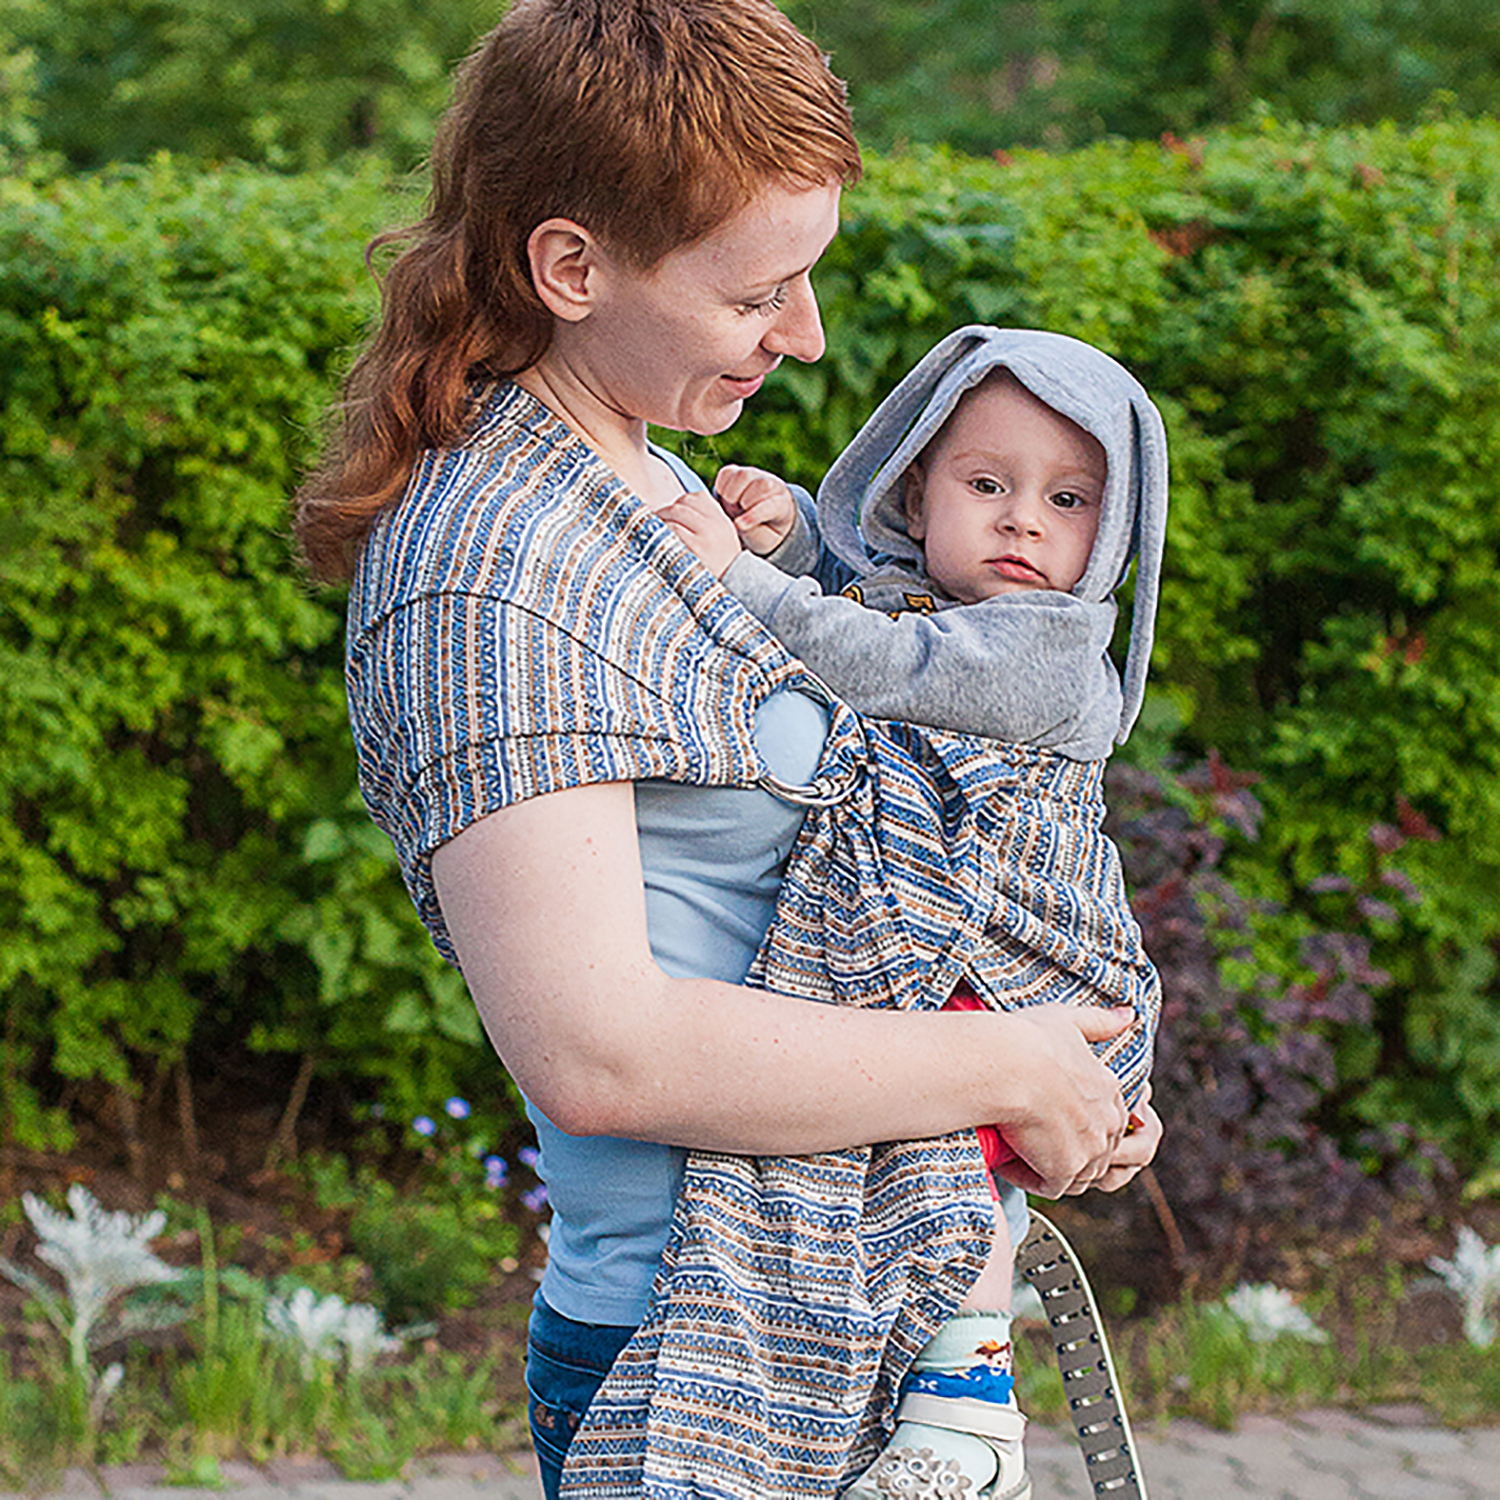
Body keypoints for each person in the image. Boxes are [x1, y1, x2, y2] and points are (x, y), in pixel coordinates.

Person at [292, 3, 1161, 1497]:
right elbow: (600, 1053)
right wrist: (1007, 1061)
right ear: (571, 268)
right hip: (698, 1365)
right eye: (760, 288)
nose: (807, 334)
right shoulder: (492, 565)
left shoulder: (644, 473)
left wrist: (1060, 1040)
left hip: (839, 1329)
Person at [649, 325, 1167, 1500]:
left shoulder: (1046, 649)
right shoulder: (933, 601)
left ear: (1113, 534)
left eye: (1071, 499)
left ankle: (971, 1410)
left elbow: (885, 667)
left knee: (954, 1143)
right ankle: (935, 1391)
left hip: (1029, 958)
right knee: (920, 1145)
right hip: (971, 961)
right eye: (988, 484)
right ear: (915, 486)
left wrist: (735, 580)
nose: (1025, 521)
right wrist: (788, 523)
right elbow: (880, 608)